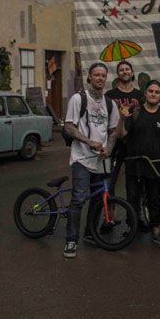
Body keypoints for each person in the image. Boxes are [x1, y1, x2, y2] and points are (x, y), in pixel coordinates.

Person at [116, 80, 160, 247]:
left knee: (154, 199)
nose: (153, 94)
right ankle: (132, 227)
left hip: (156, 166)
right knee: (133, 198)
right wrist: (121, 119)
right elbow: (121, 134)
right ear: (145, 94)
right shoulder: (135, 112)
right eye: (151, 91)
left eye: (157, 92)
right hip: (134, 165)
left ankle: (155, 229)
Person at [62, 62, 120, 258]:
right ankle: (71, 240)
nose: (100, 78)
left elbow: (113, 131)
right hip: (82, 158)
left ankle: (90, 233)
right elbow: (69, 127)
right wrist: (89, 142)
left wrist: (109, 149)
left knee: (97, 200)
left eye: (103, 75)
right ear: (90, 77)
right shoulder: (78, 99)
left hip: (101, 160)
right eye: (96, 75)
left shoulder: (110, 103)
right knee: (79, 198)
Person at [106, 60, 144, 199]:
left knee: (133, 182)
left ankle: (133, 215)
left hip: (133, 144)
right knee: (110, 181)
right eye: (121, 70)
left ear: (132, 72)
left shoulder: (140, 95)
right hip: (114, 143)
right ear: (117, 74)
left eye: (127, 69)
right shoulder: (110, 95)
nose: (125, 71)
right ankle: (110, 215)